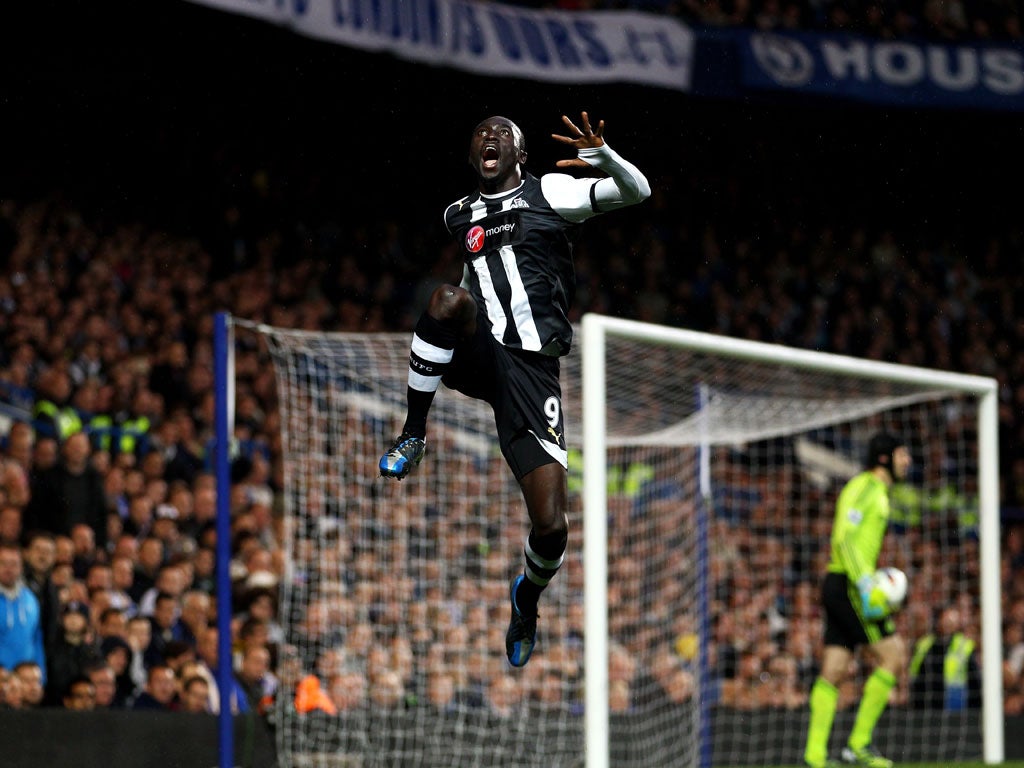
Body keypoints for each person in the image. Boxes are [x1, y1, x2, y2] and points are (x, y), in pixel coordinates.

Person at [378, 111, 650, 667]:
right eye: (480, 133)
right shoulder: (460, 215)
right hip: (483, 353)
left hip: (533, 372)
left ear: (521, 153)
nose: (490, 138)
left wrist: (603, 156)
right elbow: (472, 285)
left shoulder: (549, 192)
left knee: (551, 526)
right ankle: (412, 435)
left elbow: (637, 192)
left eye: (503, 134)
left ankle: (526, 599)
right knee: (447, 301)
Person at [803, 433, 911, 768]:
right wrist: (865, 581)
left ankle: (815, 756)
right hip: (851, 585)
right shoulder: (865, 487)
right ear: (884, 458)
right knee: (894, 657)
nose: (907, 461)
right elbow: (843, 538)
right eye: (902, 454)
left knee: (834, 669)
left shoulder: (877, 490)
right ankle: (858, 745)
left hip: (841, 583)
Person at [909, 604, 981, 710]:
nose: (948, 624)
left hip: (956, 707)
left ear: (957, 624)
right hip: (925, 706)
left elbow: (975, 681)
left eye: (952, 621)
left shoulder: (965, 646)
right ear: (939, 620)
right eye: (946, 619)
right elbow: (915, 675)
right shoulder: (924, 644)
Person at [0, 543, 45, 679]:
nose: (9, 569)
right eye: (3, 563)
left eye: (14, 564)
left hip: (26, 679)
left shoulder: (30, 598)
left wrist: (41, 677)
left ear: (21, 567)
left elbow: (37, 639)